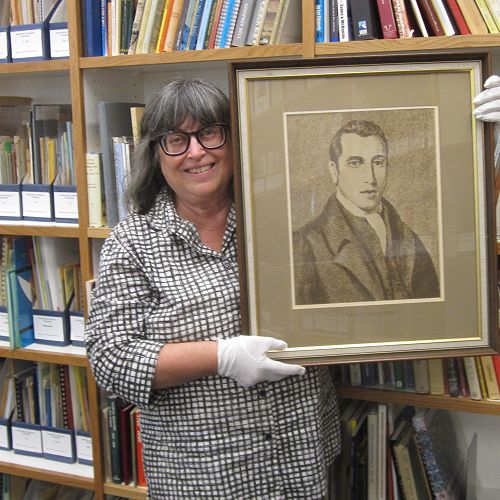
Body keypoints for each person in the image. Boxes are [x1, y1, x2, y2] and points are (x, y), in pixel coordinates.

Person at [85, 78, 341, 499]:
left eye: (209, 132)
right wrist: (221, 356)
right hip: (205, 475)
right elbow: (111, 360)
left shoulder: (288, 221)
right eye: (176, 139)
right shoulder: (132, 244)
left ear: (234, 140)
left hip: (300, 456)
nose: (196, 151)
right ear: (156, 154)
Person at [292, 119, 440, 306]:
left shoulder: (409, 237)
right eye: (355, 163)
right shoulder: (305, 244)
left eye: (378, 162)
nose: (370, 178)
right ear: (334, 171)